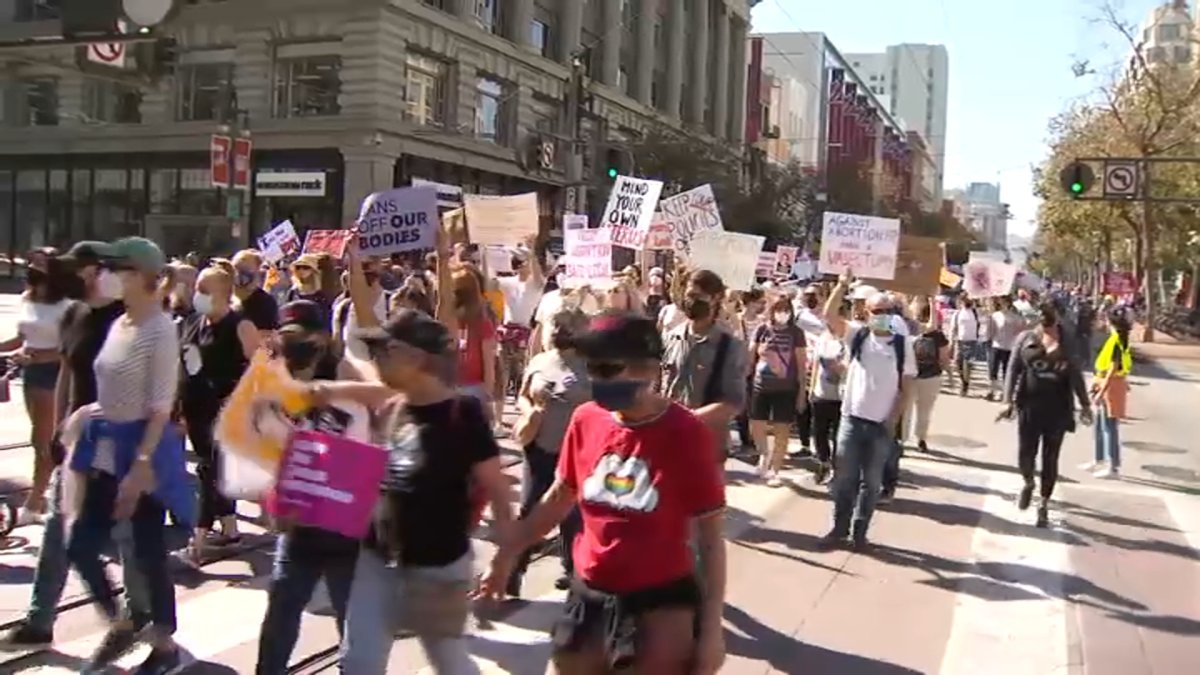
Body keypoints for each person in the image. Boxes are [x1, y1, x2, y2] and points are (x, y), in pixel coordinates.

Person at [479, 311, 727, 674]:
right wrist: (507, 555)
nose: (595, 378)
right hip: (588, 599)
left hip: (658, 608)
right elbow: (559, 497)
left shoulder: (686, 433)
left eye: (607, 368)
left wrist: (710, 631)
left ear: (648, 369)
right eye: (590, 367)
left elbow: (710, 537)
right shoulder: (585, 419)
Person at [312, 310, 513, 674]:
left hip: (438, 568)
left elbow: (499, 490)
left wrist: (502, 560)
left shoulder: (462, 414)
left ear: (416, 358)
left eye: (385, 350)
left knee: (449, 662)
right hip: (378, 559)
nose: (376, 359)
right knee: (359, 661)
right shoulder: (394, 406)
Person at [4, 241, 152, 648]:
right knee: (57, 530)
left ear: (102, 271)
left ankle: (139, 617)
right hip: (77, 441)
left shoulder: (131, 319)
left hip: (118, 440)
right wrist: (58, 430)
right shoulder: (74, 314)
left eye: (82, 270)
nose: (74, 277)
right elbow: (67, 370)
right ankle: (39, 620)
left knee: (125, 536)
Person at [65, 237, 189, 673]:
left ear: (139, 275)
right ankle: (125, 621)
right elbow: (111, 385)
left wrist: (140, 466)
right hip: (102, 447)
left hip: (142, 453)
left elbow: (159, 405)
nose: (106, 276)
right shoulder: (120, 324)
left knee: (147, 550)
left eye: (116, 269)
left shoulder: (160, 328)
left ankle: (165, 645)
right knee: (79, 543)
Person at [254, 300, 366, 675]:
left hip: (342, 523)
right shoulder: (277, 381)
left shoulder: (350, 379)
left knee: (350, 618)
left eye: (300, 342)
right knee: (283, 608)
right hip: (299, 521)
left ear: (321, 340)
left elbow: (363, 446)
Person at [819, 276, 915, 550]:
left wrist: (892, 419)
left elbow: (906, 388)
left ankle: (860, 534)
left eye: (887, 312)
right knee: (844, 479)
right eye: (877, 312)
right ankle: (839, 529)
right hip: (851, 420)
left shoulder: (902, 344)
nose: (882, 317)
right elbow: (829, 315)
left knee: (871, 484)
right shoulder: (857, 335)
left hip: (881, 426)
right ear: (867, 313)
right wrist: (841, 285)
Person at [506, 307, 591, 597]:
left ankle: (574, 573)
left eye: (567, 325)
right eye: (556, 324)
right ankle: (512, 574)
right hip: (538, 449)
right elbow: (523, 395)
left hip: (576, 453)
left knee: (573, 517)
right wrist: (530, 411)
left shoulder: (592, 366)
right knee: (529, 510)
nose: (558, 330)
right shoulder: (540, 361)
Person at [179, 264, 259, 564]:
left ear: (224, 294)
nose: (197, 295)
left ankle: (198, 539)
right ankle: (230, 528)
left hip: (226, 412)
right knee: (213, 468)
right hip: (197, 410)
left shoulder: (241, 325)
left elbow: (260, 369)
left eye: (204, 290)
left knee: (209, 471)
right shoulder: (194, 323)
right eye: (196, 288)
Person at [1000, 300, 1092, 528]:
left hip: (1058, 409)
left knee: (1050, 458)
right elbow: (1013, 369)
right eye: (1042, 316)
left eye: (1049, 316)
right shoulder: (1026, 339)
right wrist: (1006, 401)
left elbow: (1076, 375)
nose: (1045, 321)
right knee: (1025, 454)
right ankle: (1028, 482)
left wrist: (1085, 405)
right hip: (1029, 407)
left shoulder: (1069, 342)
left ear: (1058, 317)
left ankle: (1043, 504)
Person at [0, 249, 73, 520]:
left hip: (54, 372)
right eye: (31, 262)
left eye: (40, 264)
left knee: (44, 439)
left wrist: (37, 355)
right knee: (38, 438)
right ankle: (46, 495)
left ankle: (34, 501)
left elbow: (69, 347)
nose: (33, 267)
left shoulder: (66, 305)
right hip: (30, 372)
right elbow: (21, 337)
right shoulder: (27, 298)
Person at [661, 269, 748, 463]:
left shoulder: (729, 346)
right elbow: (660, 385)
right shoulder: (671, 337)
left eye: (697, 296)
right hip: (667, 439)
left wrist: (687, 419)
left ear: (715, 298)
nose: (691, 301)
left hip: (707, 445)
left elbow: (733, 402)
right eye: (688, 295)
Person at [747, 295, 807, 487]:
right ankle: (764, 454)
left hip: (786, 389)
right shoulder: (762, 329)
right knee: (756, 424)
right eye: (778, 308)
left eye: (785, 309)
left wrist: (801, 393)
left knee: (782, 430)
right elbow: (751, 355)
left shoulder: (796, 333)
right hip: (760, 386)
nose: (782, 313)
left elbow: (801, 364)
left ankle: (776, 470)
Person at [1087, 312, 1132, 479]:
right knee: (1100, 425)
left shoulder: (1115, 342)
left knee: (1109, 427)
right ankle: (1099, 459)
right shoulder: (1117, 340)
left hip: (1110, 385)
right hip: (1107, 382)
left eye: (1105, 320)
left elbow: (1113, 369)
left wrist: (1102, 392)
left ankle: (1113, 467)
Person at [908, 298, 950, 453]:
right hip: (931, 376)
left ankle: (900, 439)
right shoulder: (938, 336)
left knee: (905, 410)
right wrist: (949, 374)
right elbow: (944, 358)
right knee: (924, 411)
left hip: (910, 376)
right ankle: (921, 439)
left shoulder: (909, 329)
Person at [231, 249, 280, 339]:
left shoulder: (265, 303)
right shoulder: (225, 298)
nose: (238, 276)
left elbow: (266, 338)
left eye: (245, 271)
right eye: (236, 268)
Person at [987, 296, 1026, 401]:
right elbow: (990, 331)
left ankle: (1004, 392)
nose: (1003, 304)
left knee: (1006, 370)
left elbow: (1022, 328)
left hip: (1009, 346)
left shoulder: (1016, 317)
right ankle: (992, 390)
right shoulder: (995, 315)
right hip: (996, 344)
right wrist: (989, 338)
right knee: (993, 369)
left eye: (1005, 302)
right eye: (1002, 302)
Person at [950, 295, 982, 397]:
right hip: (960, 341)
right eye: (965, 300)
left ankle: (965, 385)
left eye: (969, 300)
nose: (967, 301)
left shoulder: (975, 313)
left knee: (967, 364)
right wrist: (951, 342)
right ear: (961, 301)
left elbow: (981, 325)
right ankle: (963, 380)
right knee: (957, 363)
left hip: (972, 341)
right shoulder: (958, 313)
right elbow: (953, 328)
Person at [286, 253, 333, 319]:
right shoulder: (293, 292)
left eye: (305, 267)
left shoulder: (321, 294)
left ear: (313, 270)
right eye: (298, 267)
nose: (301, 270)